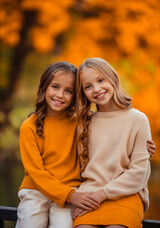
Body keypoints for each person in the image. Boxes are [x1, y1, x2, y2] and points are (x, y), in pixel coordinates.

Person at [16, 61, 155, 228]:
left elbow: (132, 164)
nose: (96, 89)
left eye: (68, 91)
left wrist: (142, 151)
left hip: (103, 194)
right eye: (88, 86)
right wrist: (74, 196)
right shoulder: (78, 122)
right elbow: (38, 171)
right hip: (63, 193)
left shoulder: (133, 119)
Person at [15, 61, 100, 228]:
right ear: (44, 87)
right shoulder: (29, 126)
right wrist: (70, 196)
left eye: (68, 91)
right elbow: (36, 173)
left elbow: (112, 129)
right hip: (35, 190)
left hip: (70, 189)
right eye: (55, 87)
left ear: (76, 95)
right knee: (30, 222)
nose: (60, 95)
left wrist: (140, 145)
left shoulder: (81, 121)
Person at [72, 58, 154, 228]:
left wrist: (103, 194)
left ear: (113, 78)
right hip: (89, 196)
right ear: (83, 92)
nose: (97, 89)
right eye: (88, 86)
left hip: (127, 195)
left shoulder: (138, 120)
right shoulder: (84, 122)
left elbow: (138, 173)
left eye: (101, 80)